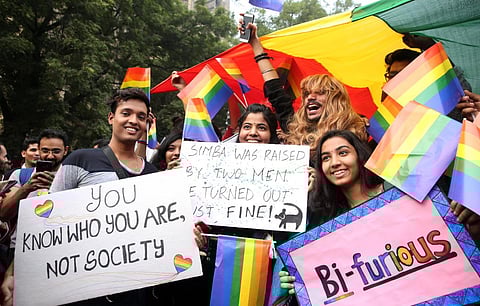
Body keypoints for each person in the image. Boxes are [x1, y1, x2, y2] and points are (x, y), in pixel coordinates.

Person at [277, 130, 385, 302]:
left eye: (343, 153)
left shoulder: (395, 191)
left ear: (360, 156)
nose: (334, 163)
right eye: (326, 158)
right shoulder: (326, 219)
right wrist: (293, 277)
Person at [239, 20, 367, 158]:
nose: (310, 98)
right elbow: (275, 92)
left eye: (320, 93)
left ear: (336, 100)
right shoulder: (294, 128)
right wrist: (254, 43)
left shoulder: (356, 132)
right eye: (306, 94)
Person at [0, 128, 69, 306]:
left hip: (58, 254)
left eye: (56, 151)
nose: (50, 156)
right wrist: (26, 188)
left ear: (66, 151)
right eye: (45, 150)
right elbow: (4, 214)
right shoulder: (20, 176)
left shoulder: (72, 179)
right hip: (19, 254)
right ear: (38, 150)